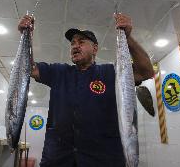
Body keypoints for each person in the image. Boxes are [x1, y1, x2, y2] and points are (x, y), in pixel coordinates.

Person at [18, 13, 154, 167]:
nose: (75, 46)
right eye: (72, 43)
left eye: (81, 42)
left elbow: (146, 72)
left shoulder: (111, 73)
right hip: (57, 159)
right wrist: (26, 35)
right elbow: (28, 68)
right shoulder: (59, 72)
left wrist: (128, 38)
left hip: (103, 160)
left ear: (95, 48)